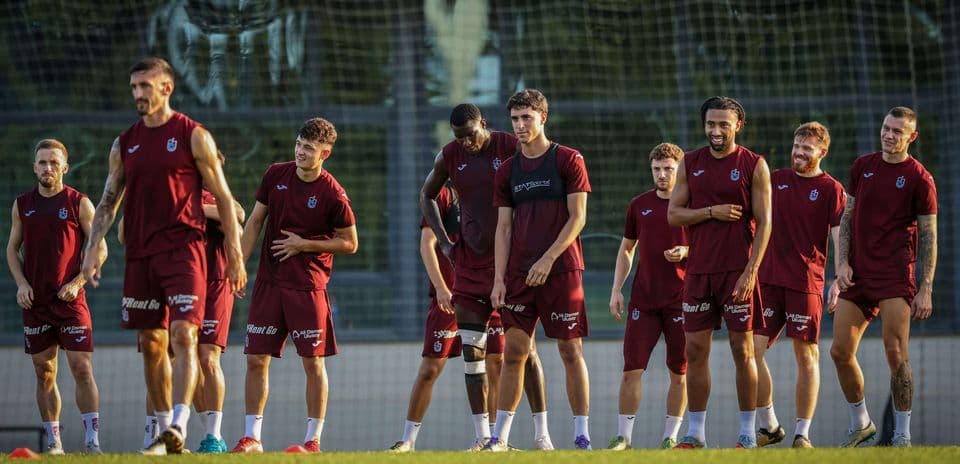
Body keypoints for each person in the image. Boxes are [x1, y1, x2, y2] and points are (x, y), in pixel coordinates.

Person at [81, 57, 247, 455]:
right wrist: (90, 251)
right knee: (152, 343)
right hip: (140, 255)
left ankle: (179, 424)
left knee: (184, 334)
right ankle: (162, 433)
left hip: (184, 253)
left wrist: (237, 255)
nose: (138, 94)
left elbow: (225, 199)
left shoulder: (194, 136)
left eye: (145, 86)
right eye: (134, 86)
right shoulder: (125, 143)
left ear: (166, 88)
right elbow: (107, 201)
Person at [420, 103, 552, 450]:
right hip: (469, 266)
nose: (466, 142)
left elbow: (542, 185)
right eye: (459, 137)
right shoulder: (449, 155)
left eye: (471, 134)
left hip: (513, 266)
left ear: (484, 124)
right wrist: (447, 245)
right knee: (471, 352)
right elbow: (426, 195)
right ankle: (483, 439)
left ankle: (542, 437)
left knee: (525, 351)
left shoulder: (510, 146)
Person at [232, 117, 358, 453]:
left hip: (307, 287)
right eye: (299, 144)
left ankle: (312, 441)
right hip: (269, 284)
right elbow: (256, 220)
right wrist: (238, 266)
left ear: (325, 154)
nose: (301, 152)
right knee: (256, 359)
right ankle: (252, 438)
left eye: (310, 149)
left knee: (313, 363)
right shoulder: (276, 174)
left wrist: (304, 244)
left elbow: (350, 243)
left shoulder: (333, 193)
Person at [487, 89, 592, 451]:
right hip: (518, 276)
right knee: (514, 352)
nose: (519, 125)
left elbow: (578, 218)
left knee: (569, 350)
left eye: (526, 117)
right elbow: (503, 228)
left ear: (542, 117)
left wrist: (547, 259)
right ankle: (499, 438)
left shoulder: (568, 159)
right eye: (514, 118)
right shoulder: (506, 170)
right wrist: (499, 279)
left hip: (561, 271)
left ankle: (581, 436)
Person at [667, 96, 772, 449]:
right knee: (694, 352)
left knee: (743, 352)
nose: (716, 131)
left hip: (737, 273)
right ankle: (695, 434)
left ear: (737, 126)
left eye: (723, 124)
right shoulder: (689, 162)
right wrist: (711, 211)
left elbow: (766, 223)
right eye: (711, 124)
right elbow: (674, 215)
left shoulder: (754, 164)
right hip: (698, 272)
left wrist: (751, 271)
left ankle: (747, 433)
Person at [830, 106, 937, 448]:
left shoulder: (921, 178)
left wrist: (926, 288)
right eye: (886, 128)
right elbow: (847, 217)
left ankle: (902, 435)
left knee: (895, 352)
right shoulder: (863, 166)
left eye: (897, 131)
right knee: (839, 352)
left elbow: (930, 235)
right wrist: (842, 263)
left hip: (895, 276)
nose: (889, 135)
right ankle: (861, 423)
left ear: (911, 137)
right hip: (857, 275)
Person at [389, 186, 508, 452]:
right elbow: (427, 244)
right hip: (450, 300)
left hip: (487, 295)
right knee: (431, 367)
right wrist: (442, 288)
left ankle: (490, 439)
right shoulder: (442, 193)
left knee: (495, 363)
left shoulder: (494, 187)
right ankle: (408, 440)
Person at [7, 139, 105, 454]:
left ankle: (92, 441)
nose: (47, 168)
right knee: (44, 371)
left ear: (65, 166)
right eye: (42, 163)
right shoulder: (23, 204)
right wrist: (21, 283)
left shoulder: (80, 203)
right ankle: (55, 443)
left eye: (53, 162)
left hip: (71, 301)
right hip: (36, 304)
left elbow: (99, 248)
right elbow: (12, 248)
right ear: (34, 167)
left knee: (81, 368)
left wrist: (78, 282)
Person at [753, 122, 845, 448]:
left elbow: (839, 237)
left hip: (806, 283)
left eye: (807, 148)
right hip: (767, 281)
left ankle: (802, 433)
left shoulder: (831, 188)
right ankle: (770, 424)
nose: (799, 152)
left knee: (807, 357)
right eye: (796, 145)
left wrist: (837, 278)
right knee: (750, 352)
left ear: (822, 152)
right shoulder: (775, 180)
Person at [607, 143, 688, 450]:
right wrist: (616, 289)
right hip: (644, 300)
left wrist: (686, 252)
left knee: (679, 372)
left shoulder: (691, 205)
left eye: (668, 169)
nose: (662, 174)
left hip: (682, 300)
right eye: (657, 169)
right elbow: (627, 248)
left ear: (679, 170)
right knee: (631, 370)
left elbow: (709, 247)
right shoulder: (639, 205)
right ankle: (623, 438)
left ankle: (671, 436)